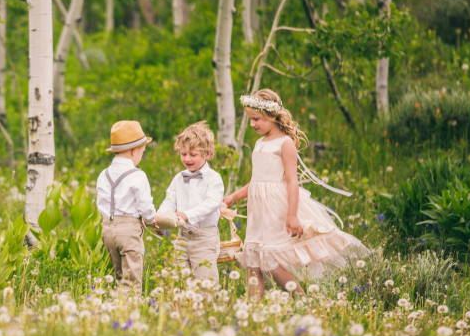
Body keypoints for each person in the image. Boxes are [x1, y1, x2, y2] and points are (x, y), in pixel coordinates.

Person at [222, 89, 369, 300]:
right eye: (251, 119)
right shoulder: (258, 143)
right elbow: (257, 182)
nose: (253, 124)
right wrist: (232, 197)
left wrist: (292, 215)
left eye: (256, 119)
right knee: (253, 260)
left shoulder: (285, 144)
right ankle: (252, 308)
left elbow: (292, 181)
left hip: (277, 209)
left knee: (270, 261)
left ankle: (302, 300)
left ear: (272, 116)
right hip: (259, 212)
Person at [155, 121, 224, 283]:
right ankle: (184, 307)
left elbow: (211, 203)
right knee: (180, 280)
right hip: (182, 237)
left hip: (204, 238)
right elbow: (169, 202)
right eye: (183, 154)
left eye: (193, 155)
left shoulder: (214, 178)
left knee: (205, 280)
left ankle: (208, 306)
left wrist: (187, 215)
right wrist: (159, 219)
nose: (187, 158)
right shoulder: (179, 178)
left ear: (207, 154)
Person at [96, 120, 157, 290]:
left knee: (119, 277)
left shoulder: (103, 174)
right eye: (142, 153)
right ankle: (128, 313)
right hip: (128, 232)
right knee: (131, 281)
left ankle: (117, 309)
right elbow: (145, 206)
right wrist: (151, 220)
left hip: (107, 229)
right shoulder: (138, 175)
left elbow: (100, 202)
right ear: (133, 151)